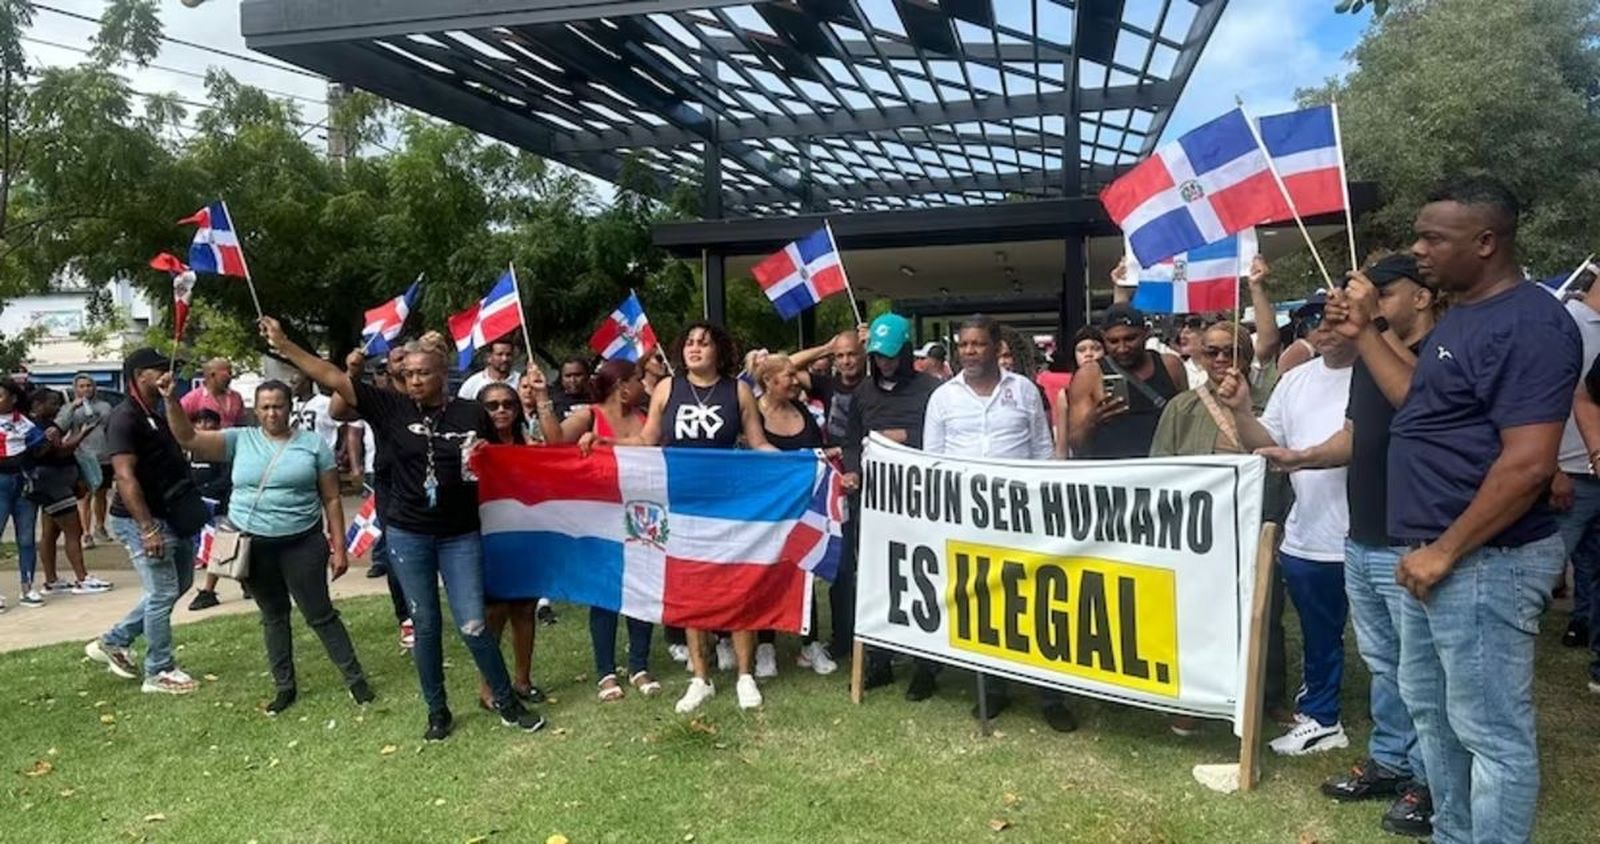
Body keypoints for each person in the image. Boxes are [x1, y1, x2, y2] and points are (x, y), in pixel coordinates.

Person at [1379, 177, 1576, 843]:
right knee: (1433, 715)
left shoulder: (1532, 322)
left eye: (1434, 237)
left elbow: (1528, 463)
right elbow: (1427, 409)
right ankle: (1452, 833)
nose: (1418, 250)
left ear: (1486, 241)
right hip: (1431, 552)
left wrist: (1446, 550)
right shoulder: (1462, 315)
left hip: (1483, 559)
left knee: (1491, 734)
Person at [262, 319, 546, 740]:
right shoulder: (389, 406)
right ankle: (437, 711)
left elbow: (503, 461)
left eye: (423, 373)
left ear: (442, 374)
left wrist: (490, 452)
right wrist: (286, 346)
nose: (413, 380)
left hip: (460, 534)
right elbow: (332, 376)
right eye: (408, 374)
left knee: (473, 624)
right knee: (425, 624)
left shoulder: (471, 413)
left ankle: (506, 701)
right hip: (409, 533)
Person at [1263, 253, 1441, 838]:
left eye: (1382, 292)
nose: (1367, 302)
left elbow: (1420, 408)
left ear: (1421, 296)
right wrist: (1302, 457)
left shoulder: (1442, 352)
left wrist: (1369, 332)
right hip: (1361, 535)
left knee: (1423, 673)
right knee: (1387, 664)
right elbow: (1355, 437)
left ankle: (1431, 780)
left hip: (1411, 536)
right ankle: (1392, 761)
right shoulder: (1370, 357)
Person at [597, 322, 775, 714]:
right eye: (690, 342)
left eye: (704, 343)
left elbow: (757, 442)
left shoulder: (738, 390)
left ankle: (746, 675)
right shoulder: (666, 389)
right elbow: (646, 441)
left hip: (728, 503)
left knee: (737, 584)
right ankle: (700, 678)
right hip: (681, 503)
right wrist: (608, 442)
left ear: (719, 350)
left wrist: (801, 461)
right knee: (691, 589)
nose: (696, 348)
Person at [165, 379, 373, 715]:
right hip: (253, 544)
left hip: (302, 542)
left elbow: (332, 498)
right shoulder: (239, 440)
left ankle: (355, 680)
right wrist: (170, 400)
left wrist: (338, 547)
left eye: (278, 405)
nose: (272, 413)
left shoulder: (313, 445)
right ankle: (284, 687)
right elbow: (188, 438)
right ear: (255, 410)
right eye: (265, 407)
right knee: (273, 616)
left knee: (320, 614)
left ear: (290, 407)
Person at [1219, 294, 1357, 757]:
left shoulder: (1382, 376)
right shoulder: (1294, 379)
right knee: (1319, 636)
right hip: (1308, 535)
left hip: (1372, 535)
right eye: (1311, 320)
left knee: (1391, 646)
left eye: (1333, 317)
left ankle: (1405, 727)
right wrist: (1241, 411)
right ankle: (1321, 718)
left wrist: (1301, 458)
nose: (1323, 327)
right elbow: (1267, 444)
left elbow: (1349, 444)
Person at [924, 315, 1075, 731]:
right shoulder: (943, 398)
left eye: (978, 344)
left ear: (995, 347)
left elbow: (1043, 451)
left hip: (1022, 517)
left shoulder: (1024, 391)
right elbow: (932, 462)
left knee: (1035, 602)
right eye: (964, 345)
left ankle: (1050, 694)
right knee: (984, 607)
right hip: (969, 520)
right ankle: (992, 689)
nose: (970, 352)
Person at [531, 360, 663, 701]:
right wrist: (543, 396)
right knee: (604, 595)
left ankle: (639, 665)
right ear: (622, 386)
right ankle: (606, 672)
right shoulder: (589, 414)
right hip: (600, 516)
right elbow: (556, 442)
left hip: (640, 514)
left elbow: (654, 449)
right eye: (637, 380)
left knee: (640, 591)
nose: (643, 386)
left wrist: (606, 442)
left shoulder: (645, 417)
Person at [84, 348, 208, 694]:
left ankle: (115, 640)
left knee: (177, 585)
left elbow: (184, 436)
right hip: (144, 519)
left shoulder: (153, 410)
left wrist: (171, 400)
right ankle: (159, 670)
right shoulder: (124, 418)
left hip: (172, 513)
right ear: (139, 376)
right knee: (163, 591)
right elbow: (124, 477)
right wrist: (147, 527)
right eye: (159, 370)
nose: (168, 374)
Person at [842, 313, 941, 698]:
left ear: (904, 350)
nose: (883, 362)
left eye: (890, 354)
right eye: (877, 356)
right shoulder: (863, 393)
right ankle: (880, 660)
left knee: (922, 578)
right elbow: (850, 440)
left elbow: (942, 438)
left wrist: (906, 436)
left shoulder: (932, 390)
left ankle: (925, 666)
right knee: (876, 578)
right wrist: (853, 472)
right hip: (873, 501)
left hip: (920, 501)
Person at [753, 353, 839, 678]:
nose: (795, 380)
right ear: (768, 382)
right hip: (767, 510)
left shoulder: (802, 409)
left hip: (804, 508)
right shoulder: (754, 416)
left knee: (804, 568)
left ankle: (810, 643)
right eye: (788, 375)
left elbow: (815, 455)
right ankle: (765, 646)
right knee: (767, 573)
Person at [472, 381, 544, 710]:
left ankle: (523, 680)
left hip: (525, 533)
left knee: (525, 609)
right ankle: (488, 687)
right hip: (487, 536)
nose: (501, 410)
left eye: (508, 404)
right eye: (492, 405)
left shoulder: (529, 442)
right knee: (495, 612)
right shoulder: (473, 445)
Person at [1065, 304, 1185, 459]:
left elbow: (1187, 423)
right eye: (1113, 341)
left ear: (1145, 334)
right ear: (1103, 339)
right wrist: (1092, 421)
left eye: (1130, 339)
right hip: (1115, 473)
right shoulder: (1089, 376)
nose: (1122, 348)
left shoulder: (1171, 365)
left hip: (1163, 471)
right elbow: (1077, 445)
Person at [30, 389, 112, 597]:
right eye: (52, 403)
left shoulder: (41, 425)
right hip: (54, 483)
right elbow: (61, 450)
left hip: (46, 482)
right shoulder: (42, 428)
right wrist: (83, 433)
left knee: (50, 532)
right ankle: (82, 578)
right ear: (37, 405)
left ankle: (51, 580)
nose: (57, 407)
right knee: (73, 530)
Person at [0, 380, 43, 609]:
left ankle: (28, 587)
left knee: (26, 538)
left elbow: (39, 444)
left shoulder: (24, 422)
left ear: (13, 398)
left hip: (23, 482)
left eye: (0, 396)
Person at [59, 374, 114, 547]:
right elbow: (61, 426)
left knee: (102, 494)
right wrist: (72, 408)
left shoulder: (105, 406)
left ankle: (100, 526)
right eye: (81, 386)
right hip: (82, 455)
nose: (86, 389)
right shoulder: (69, 407)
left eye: (89, 385)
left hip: (103, 455)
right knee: (84, 495)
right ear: (75, 389)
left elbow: (111, 427)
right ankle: (85, 533)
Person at [1043, 326, 1105, 451]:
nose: (1088, 354)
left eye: (1096, 349)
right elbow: (1062, 446)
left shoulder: (1116, 383)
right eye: (1081, 350)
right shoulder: (1065, 394)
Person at [179, 358, 246, 428]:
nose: (230, 377)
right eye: (227, 373)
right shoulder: (193, 398)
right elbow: (177, 421)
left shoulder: (236, 397)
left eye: (230, 373)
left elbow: (241, 423)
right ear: (212, 375)